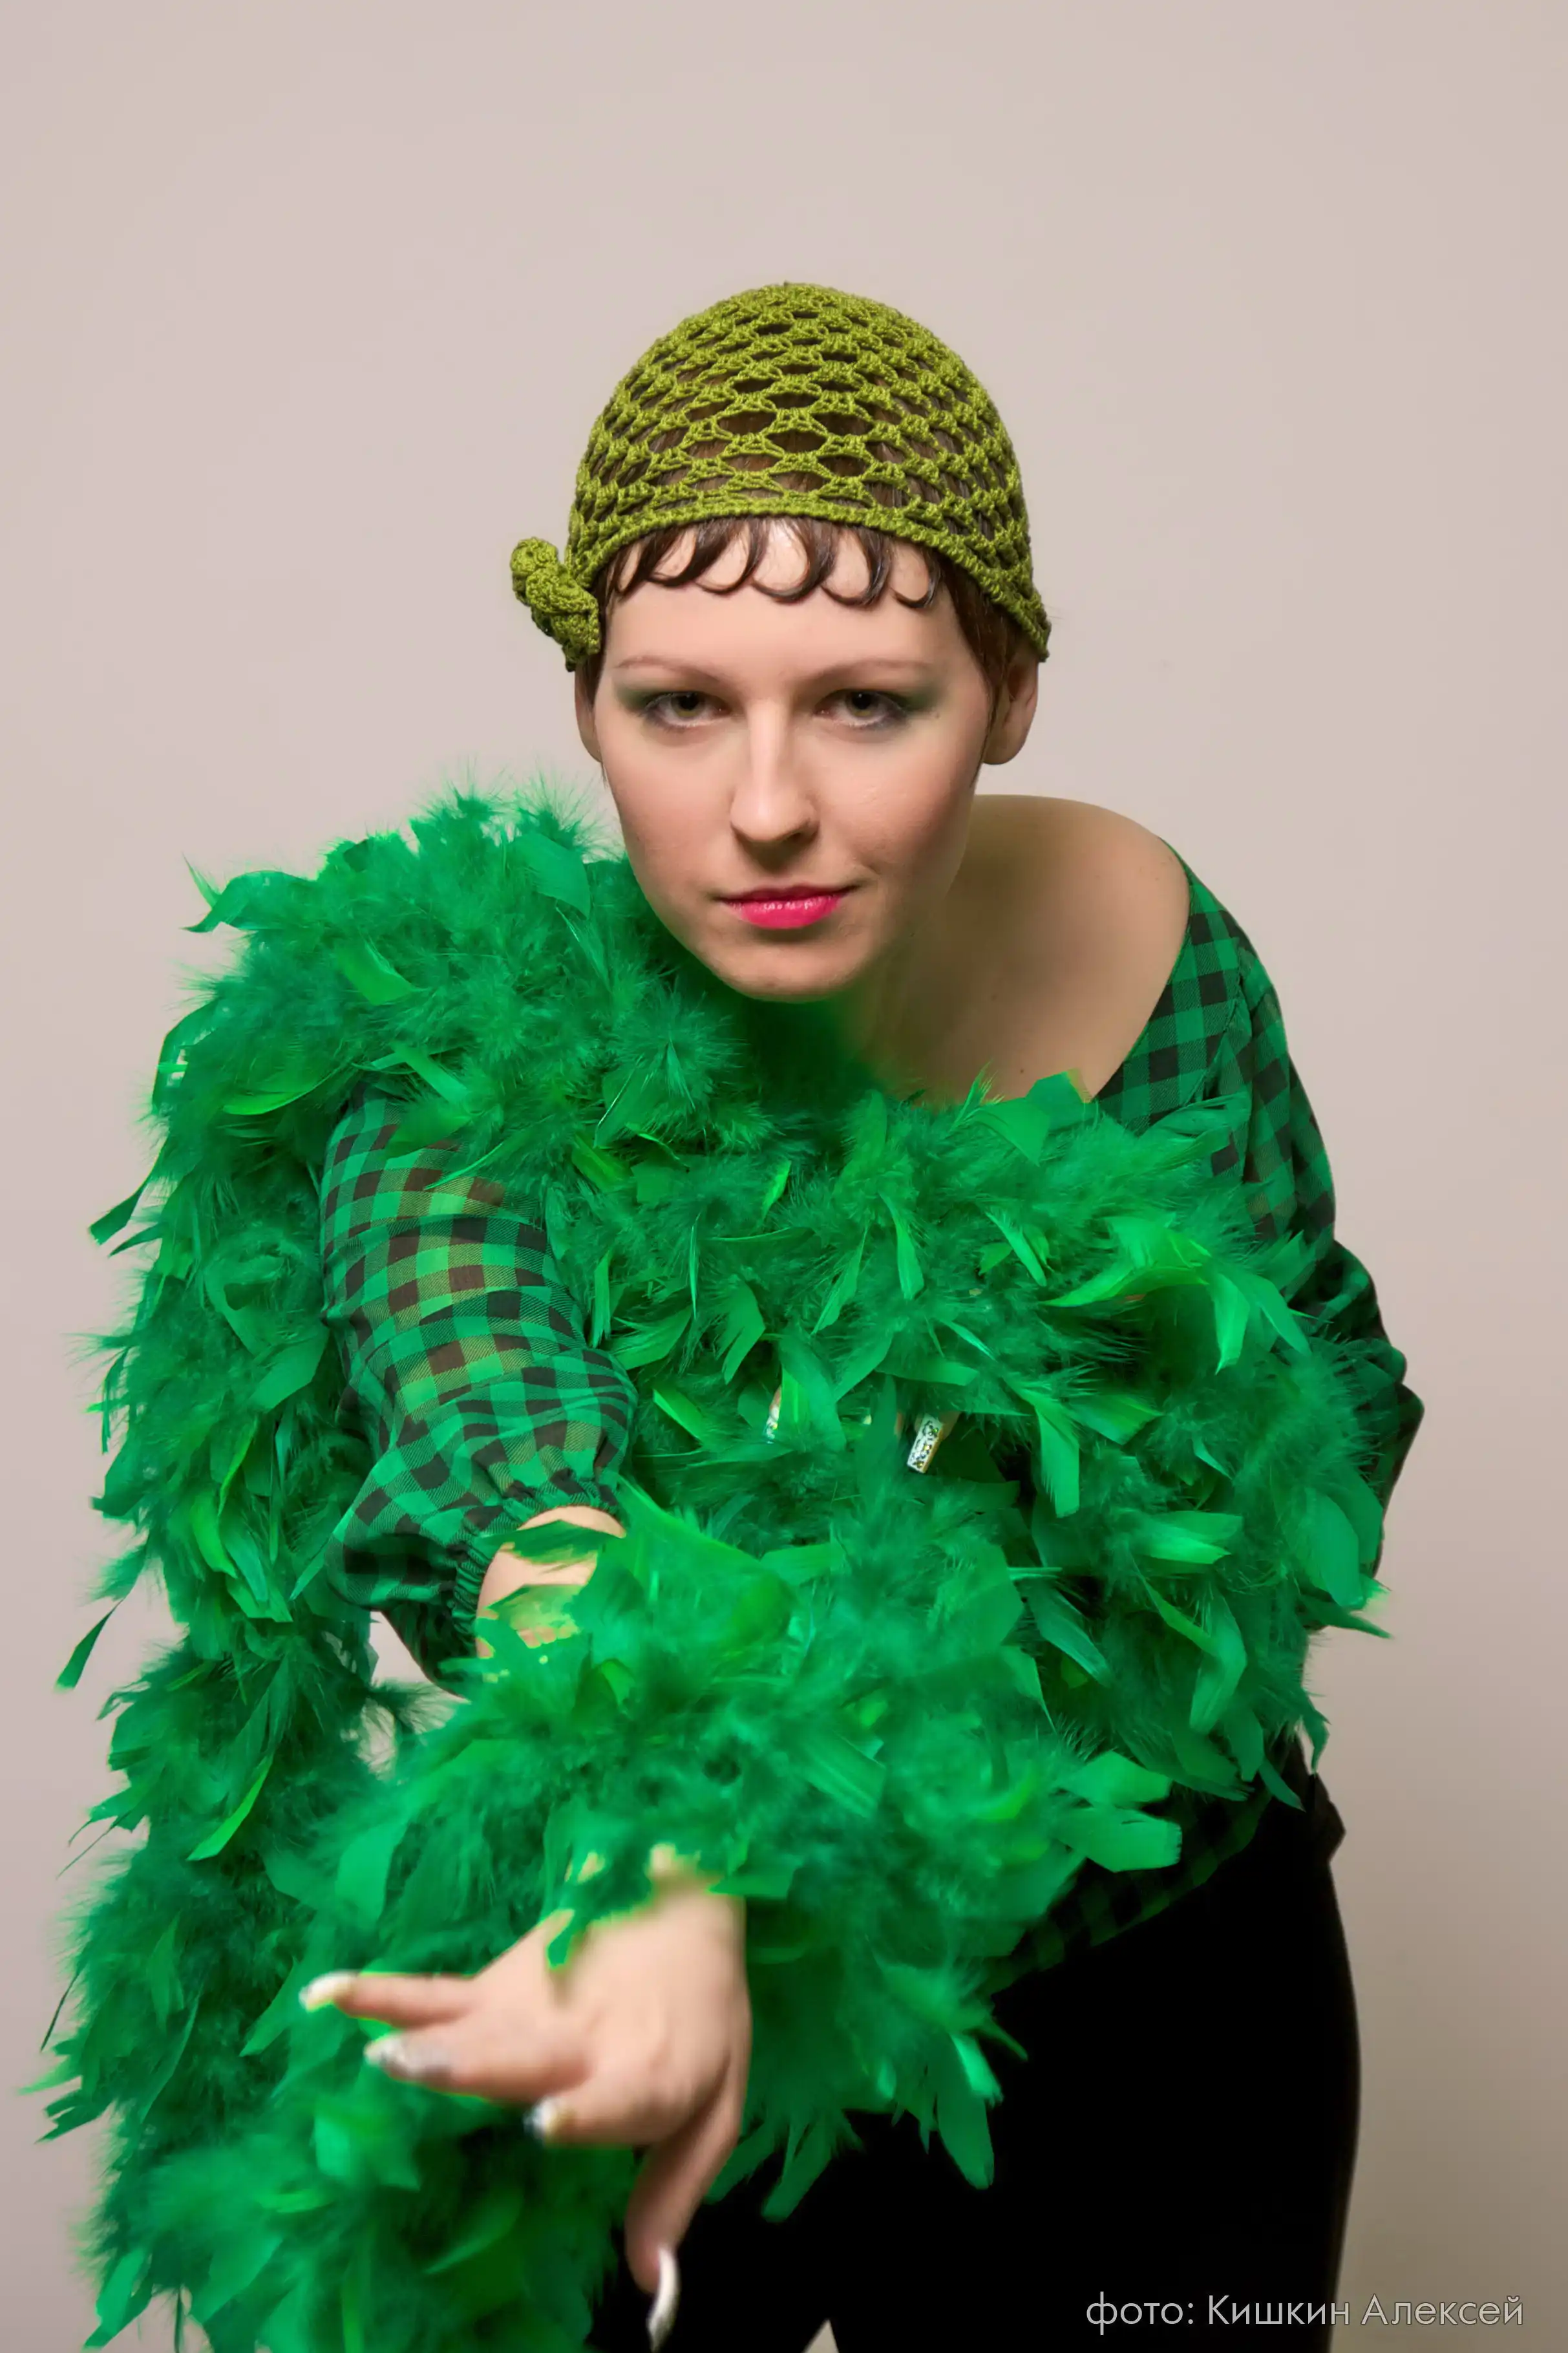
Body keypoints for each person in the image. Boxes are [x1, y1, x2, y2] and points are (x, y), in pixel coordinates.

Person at [49, 282, 1421, 2353]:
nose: (765, 803)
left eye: (866, 704)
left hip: (1143, 1975)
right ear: (586, 702)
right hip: (646, 1987)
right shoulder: (455, 1070)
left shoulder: (1152, 956)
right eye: (680, 705)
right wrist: (687, 1862)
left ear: (1009, 691)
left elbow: (1275, 1449)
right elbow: (507, 1462)